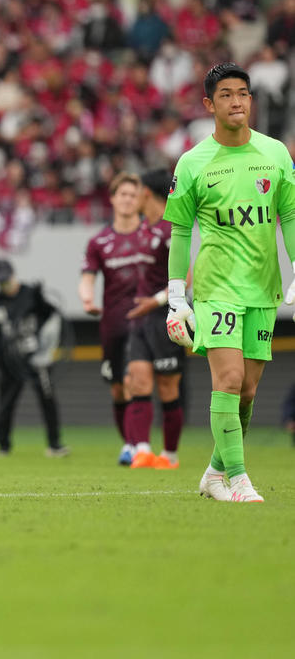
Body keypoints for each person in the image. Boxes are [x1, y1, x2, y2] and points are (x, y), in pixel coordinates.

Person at [164, 62, 295, 504]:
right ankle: (239, 479)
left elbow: (289, 216)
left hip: (262, 285)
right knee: (229, 379)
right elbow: (181, 232)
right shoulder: (193, 162)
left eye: (243, 93)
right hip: (217, 285)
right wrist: (176, 293)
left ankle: (215, 472)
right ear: (209, 104)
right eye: (226, 94)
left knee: (248, 391)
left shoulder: (276, 153)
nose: (237, 101)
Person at [78, 173, 146, 465]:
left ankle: (137, 445)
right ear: (113, 199)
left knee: (134, 381)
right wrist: (87, 299)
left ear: (139, 199)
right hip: (113, 322)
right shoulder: (99, 241)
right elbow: (87, 276)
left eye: (133, 194)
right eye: (123, 194)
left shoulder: (153, 234)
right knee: (118, 388)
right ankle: (129, 442)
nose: (128, 199)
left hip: (145, 322)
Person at [121, 168, 186, 470]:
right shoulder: (143, 229)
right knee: (139, 381)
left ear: (147, 193)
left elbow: (187, 274)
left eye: (136, 192)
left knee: (168, 389)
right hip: (140, 320)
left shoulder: (171, 228)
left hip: (166, 316)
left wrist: (157, 301)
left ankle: (169, 456)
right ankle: (143, 451)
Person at [0, 261, 68, 457]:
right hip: (11, 361)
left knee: (47, 399)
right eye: (0, 282)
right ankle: (3, 445)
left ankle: (54, 444)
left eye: (7, 280)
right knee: (6, 402)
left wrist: (40, 299)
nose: (5, 285)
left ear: (13, 275)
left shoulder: (30, 294)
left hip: (37, 358)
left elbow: (50, 314)